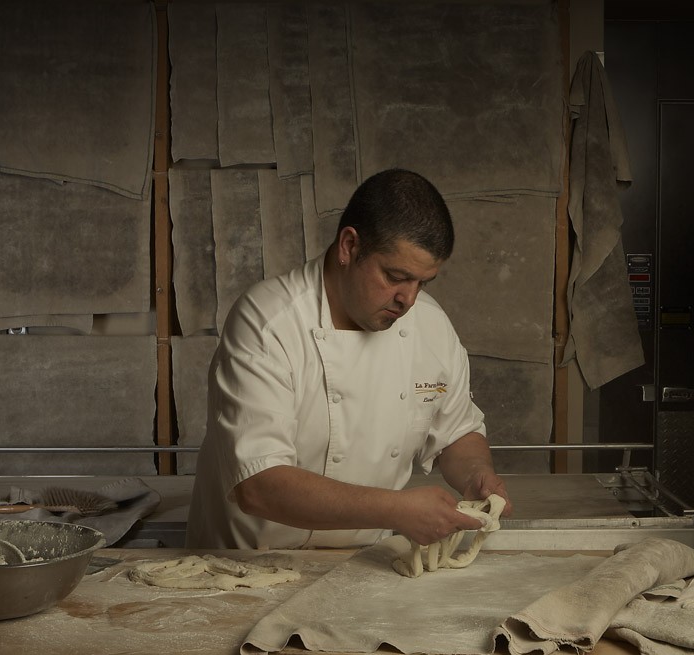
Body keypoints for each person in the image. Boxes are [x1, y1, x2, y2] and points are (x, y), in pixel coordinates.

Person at [186, 168, 511, 551]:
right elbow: (258, 486)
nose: (408, 299)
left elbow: (457, 432)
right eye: (395, 276)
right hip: (246, 568)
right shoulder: (267, 322)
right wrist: (396, 510)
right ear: (349, 246)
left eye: (422, 282)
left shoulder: (431, 325)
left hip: (361, 567)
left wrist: (477, 474)